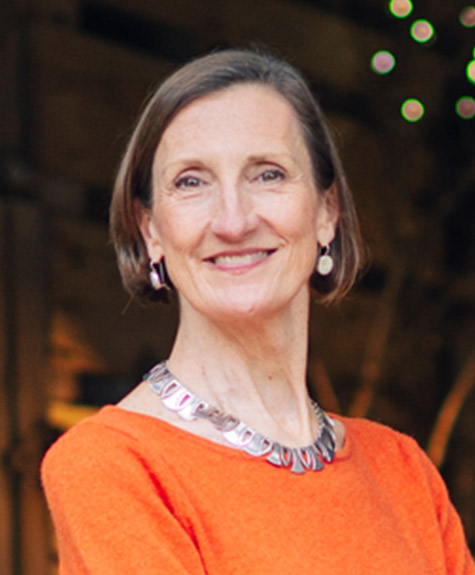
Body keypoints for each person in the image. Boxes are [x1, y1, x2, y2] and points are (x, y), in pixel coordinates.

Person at [42, 48, 474, 574]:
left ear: (326, 212)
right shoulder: (116, 465)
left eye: (268, 174)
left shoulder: (403, 470)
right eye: (191, 182)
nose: (233, 220)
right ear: (150, 229)